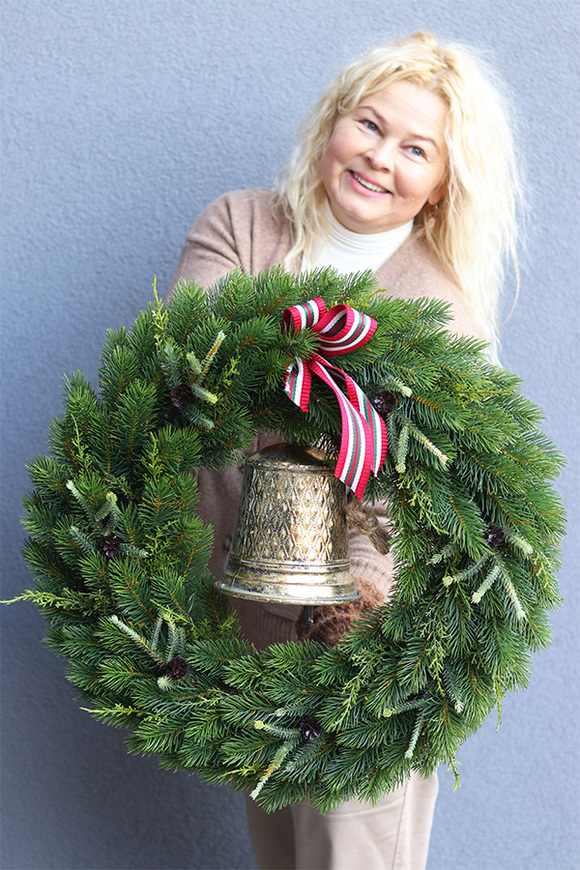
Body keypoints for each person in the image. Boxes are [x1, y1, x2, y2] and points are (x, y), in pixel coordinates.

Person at [170, 31, 522, 870]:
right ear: (333, 123)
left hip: (366, 643)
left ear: (439, 188)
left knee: (351, 851)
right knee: (283, 852)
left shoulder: (442, 317)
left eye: (415, 149)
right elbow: (194, 356)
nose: (379, 158)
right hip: (244, 617)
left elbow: (418, 495)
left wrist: (353, 610)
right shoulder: (241, 226)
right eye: (368, 125)